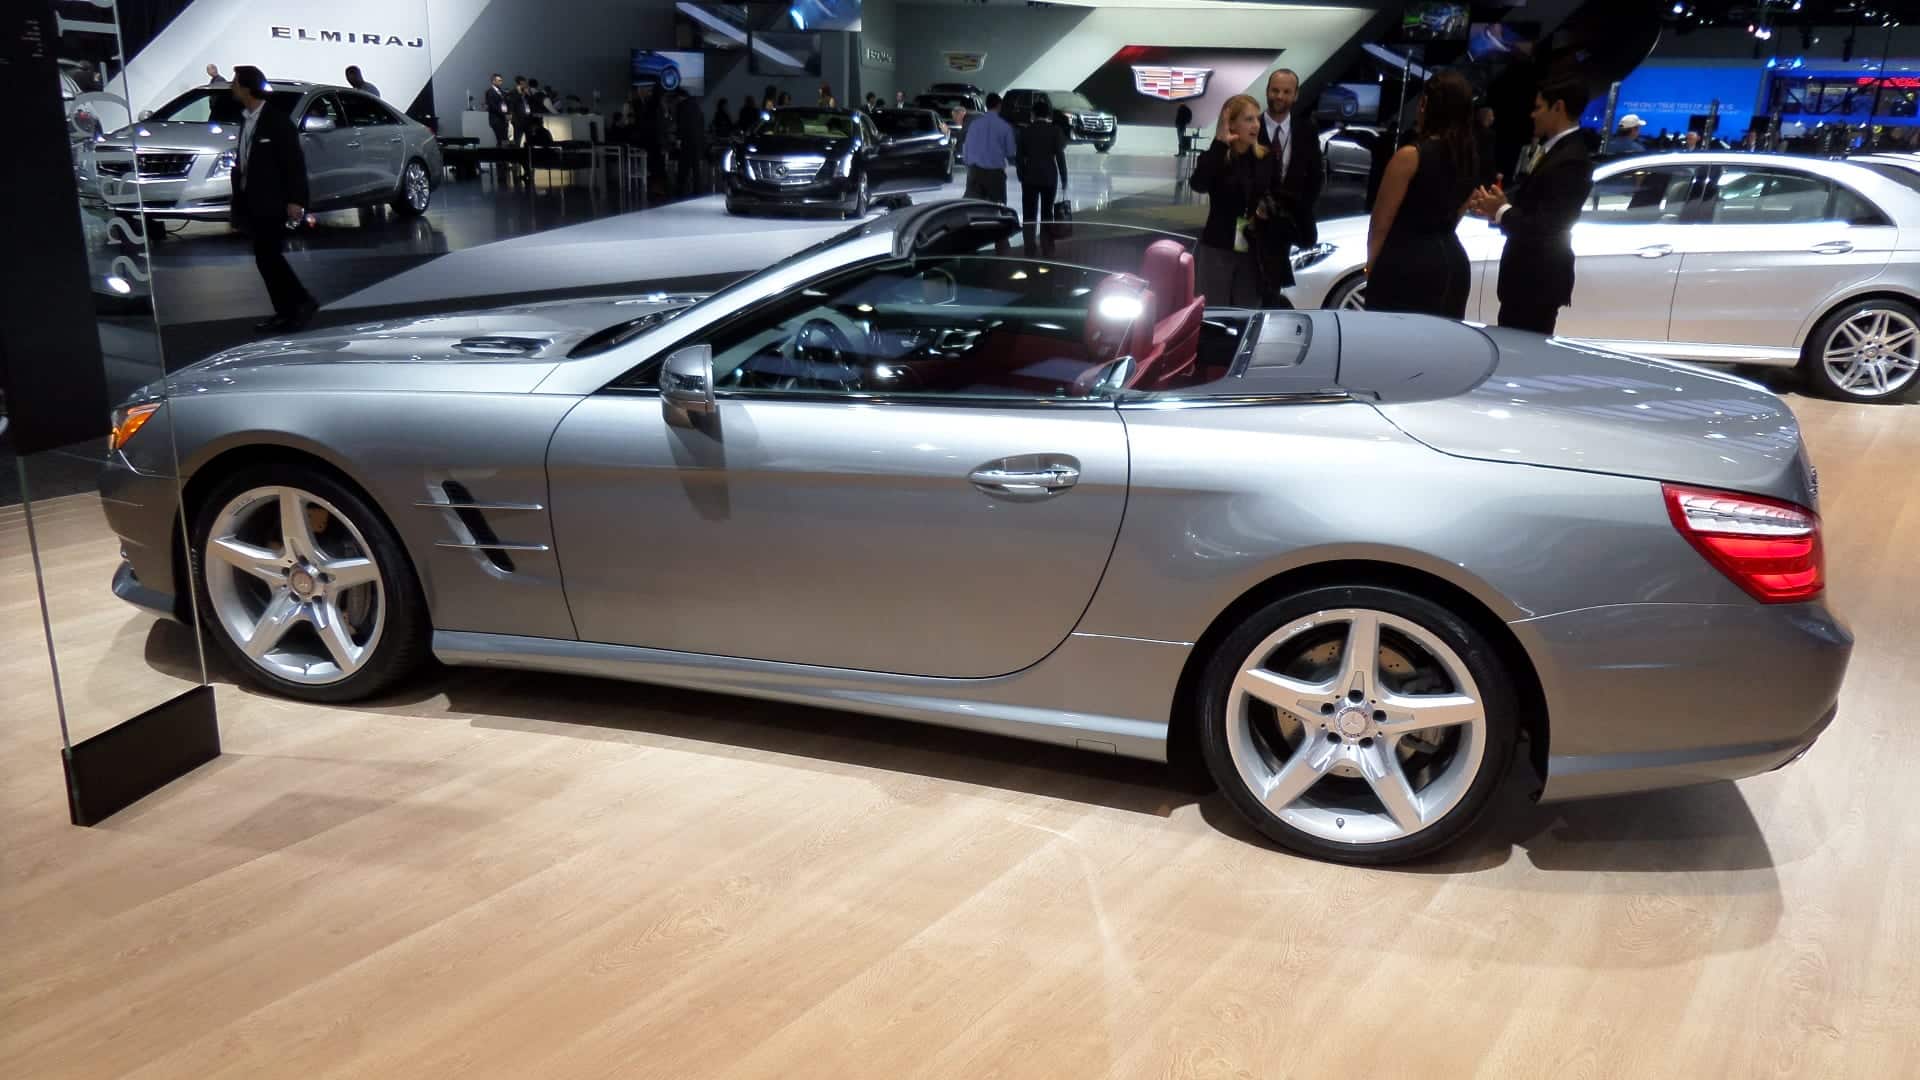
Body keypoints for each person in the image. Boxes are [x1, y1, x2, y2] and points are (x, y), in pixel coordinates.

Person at [1468, 75, 1594, 335]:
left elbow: (1546, 225)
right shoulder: (1557, 151)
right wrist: (1497, 208)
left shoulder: (1571, 159)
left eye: (1538, 107)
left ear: (1558, 107)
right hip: (1529, 279)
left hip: (1537, 280)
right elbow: (1534, 205)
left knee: (1522, 348)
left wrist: (1501, 211)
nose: (1532, 114)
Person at [1365, 71, 1479, 320]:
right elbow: (1458, 214)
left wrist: (1371, 268)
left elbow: (1380, 224)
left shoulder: (1410, 156)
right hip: (1453, 264)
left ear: (1426, 104)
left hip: (1406, 264)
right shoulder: (1469, 158)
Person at [228, 66, 314, 332]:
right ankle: (291, 307)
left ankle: (297, 305)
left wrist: (296, 200)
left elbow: (294, 164)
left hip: (272, 201)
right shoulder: (246, 120)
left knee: (268, 256)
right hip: (252, 201)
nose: (232, 87)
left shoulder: (277, 121)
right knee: (266, 257)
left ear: (247, 87)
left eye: (235, 82)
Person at [1187, 94, 1282, 309]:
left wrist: (1267, 210)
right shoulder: (1215, 157)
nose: (1256, 125)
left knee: (1247, 313)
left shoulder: (1266, 158)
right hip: (1218, 246)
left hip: (1253, 249)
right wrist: (1220, 144)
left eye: (1257, 118)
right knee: (1214, 312)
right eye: (1248, 119)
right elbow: (1198, 184)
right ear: (1230, 124)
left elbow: (1276, 195)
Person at [1253, 68, 1322, 307]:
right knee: (1249, 292)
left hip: (1286, 228)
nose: (1279, 96)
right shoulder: (1251, 127)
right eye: (1275, 90)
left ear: (1296, 95)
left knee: (1272, 294)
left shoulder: (1306, 130)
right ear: (1267, 91)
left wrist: (1298, 212)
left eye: (1286, 91)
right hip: (1251, 227)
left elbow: (1315, 177)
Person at [1016, 97, 1069, 251]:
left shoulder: (1025, 131)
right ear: (1048, 115)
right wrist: (1064, 178)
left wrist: (1021, 175)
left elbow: (1019, 157)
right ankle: (1047, 246)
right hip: (1049, 177)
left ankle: (1029, 247)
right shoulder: (1055, 131)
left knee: (1029, 213)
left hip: (1029, 177)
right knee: (1047, 212)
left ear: (1033, 114)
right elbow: (1060, 156)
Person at [960, 92, 1019, 205]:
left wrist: (969, 168)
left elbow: (966, 148)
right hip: (995, 175)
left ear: (986, 105)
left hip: (975, 173)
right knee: (997, 209)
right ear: (999, 106)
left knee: (974, 208)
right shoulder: (1005, 126)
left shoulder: (974, 124)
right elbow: (1011, 152)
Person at [674, 89, 707, 196]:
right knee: (696, 167)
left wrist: (678, 139)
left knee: (683, 167)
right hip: (697, 140)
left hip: (687, 140)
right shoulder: (696, 106)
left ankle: (680, 190)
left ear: (679, 97)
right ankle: (697, 190)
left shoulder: (681, 106)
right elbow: (702, 122)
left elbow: (681, 124)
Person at [484, 73, 510, 147]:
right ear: (493, 81)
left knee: (505, 139)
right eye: (499, 80)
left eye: (501, 80)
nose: (501, 82)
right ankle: (500, 151)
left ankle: (503, 151)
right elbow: (493, 106)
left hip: (503, 119)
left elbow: (506, 103)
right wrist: (504, 114)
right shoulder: (489, 92)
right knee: (500, 139)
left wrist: (508, 113)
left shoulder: (502, 92)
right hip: (496, 119)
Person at [510, 76, 532, 147]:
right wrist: (520, 94)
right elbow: (513, 104)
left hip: (528, 120)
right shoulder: (513, 92)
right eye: (525, 83)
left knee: (529, 140)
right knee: (517, 140)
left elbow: (532, 102)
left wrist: (528, 94)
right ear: (520, 83)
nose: (526, 84)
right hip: (518, 120)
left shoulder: (527, 92)